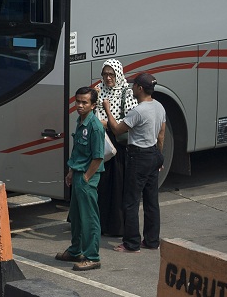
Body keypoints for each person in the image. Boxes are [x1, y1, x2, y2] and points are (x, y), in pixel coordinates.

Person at [104, 72, 166, 253]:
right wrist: (159, 158)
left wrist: (107, 108)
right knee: (151, 201)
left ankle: (131, 243)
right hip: (153, 154)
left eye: (133, 85)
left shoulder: (138, 111)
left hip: (138, 157)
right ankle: (152, 241)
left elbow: (116, 130)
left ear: (140, 88)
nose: (131, 88)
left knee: (130, 201)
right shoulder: (159, 106)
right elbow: (161, 135)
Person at [56, 86, 104, 271]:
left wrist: (85, 177)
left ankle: (92, 256)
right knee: (75, 217)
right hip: (77, 173)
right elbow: (77, 150)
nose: (80, 105)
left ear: (93, 105)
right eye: (78, 101)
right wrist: (71, 171)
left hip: (87, 178)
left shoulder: (95, 126)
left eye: (85, 102)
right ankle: (76, 250)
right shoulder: (80, 121)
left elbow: (98, 157)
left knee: (89, 218)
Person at [95, 59, 137, 237]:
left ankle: (115, 227)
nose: (108, 77)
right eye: (105, 74)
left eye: (111, 74)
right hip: (101, 141)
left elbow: (130, 120)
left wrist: (106, 121)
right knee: (101, 186)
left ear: (118, 74)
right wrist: (94, 97)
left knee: (117, 186)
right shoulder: (99, 89)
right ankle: (100, 225)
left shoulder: (126, 93)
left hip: (117, 145)